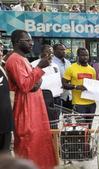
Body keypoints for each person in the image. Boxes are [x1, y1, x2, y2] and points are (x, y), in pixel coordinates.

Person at [5, 30, 57, 168]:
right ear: (17, 42)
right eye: (27, 40)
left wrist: (36, 77)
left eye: (31, 40)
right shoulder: (14, 59)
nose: (31, 43)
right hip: (25, 113)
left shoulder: (23, 59)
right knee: (28, 148)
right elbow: (26, 85)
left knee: (39, 147)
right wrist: (39, 67)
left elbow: (35, 84)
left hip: (34, 111)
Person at [63, 48, 96, 128]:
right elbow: (64, 84)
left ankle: (88, 141)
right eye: (82, 55)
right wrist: (76, 87)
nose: (85, 57)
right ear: (77, 56)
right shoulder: (71, 68)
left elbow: (94, 85)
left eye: (86, 55)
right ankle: (83, 140)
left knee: (89, 127)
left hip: (92, 103)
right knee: (81, 128)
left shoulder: (92, 70)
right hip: (78, 104)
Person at [0, 40, 13, 153]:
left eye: (0, 50)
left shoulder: (2, 67)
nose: (0, 53)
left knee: (5, 154)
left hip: (6, 122)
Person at [52, 43, 72, 109]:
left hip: (68, 95)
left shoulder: (68, 62)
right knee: (56, 116)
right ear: (54, 51)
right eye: (61, 49)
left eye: (64, 49)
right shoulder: (51, 62)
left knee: (68, 116)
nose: (63, 51)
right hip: (56, 95)